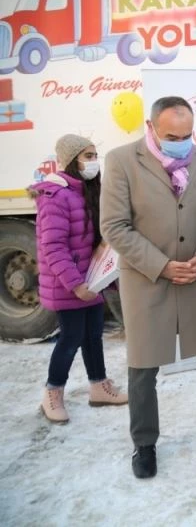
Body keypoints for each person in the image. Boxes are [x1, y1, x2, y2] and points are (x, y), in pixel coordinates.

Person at [100, 96, 196, 479]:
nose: (181, 142)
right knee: (143, 365)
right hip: (146, 278)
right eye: (172, 136)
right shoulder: (121, 160)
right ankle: (144, 442)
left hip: (194, 275)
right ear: (151, 128)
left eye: (187, 135)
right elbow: (114, 226)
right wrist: (162, 266)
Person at [31, 134, 128, 424]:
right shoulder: (55, 196)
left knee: (93, 336)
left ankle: (99, 386)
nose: (94, 162)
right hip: (70, 284)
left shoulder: (87, 190)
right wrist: (76, 285)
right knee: (71, 338)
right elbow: (53, 247)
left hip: (92, 280)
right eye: (87, 156)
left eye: (95, 155)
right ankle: (52, 393)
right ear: (71, 160)